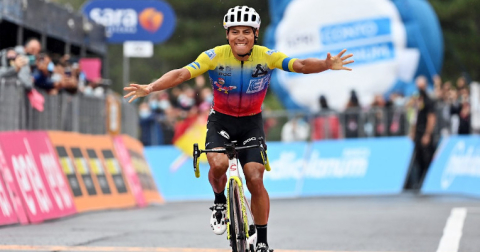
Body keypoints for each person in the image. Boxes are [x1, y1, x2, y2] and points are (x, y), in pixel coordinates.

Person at [124, 6, 354, 252]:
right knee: (219, 165)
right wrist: (151, 88)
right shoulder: (214, 56)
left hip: (251, 123)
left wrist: (325, 64)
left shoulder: (267, 56)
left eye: (246, 31)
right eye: (235, 32)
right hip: (220, 122)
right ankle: (219, 201)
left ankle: (263, 240)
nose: (240, 36)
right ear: (227, 35)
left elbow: (299, 65)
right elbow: (181, 74)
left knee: (255, 178)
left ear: (256, 34)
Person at [407, 76, 436, 191]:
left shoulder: (429, 100)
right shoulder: (418, 100)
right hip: (418, 133)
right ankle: (419, 183)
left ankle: (428, 183)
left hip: (425, 133)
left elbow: (431, 118)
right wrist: (413, 132)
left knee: (427, 158)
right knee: (418, 159)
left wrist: (427, 134)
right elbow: (415, 117)